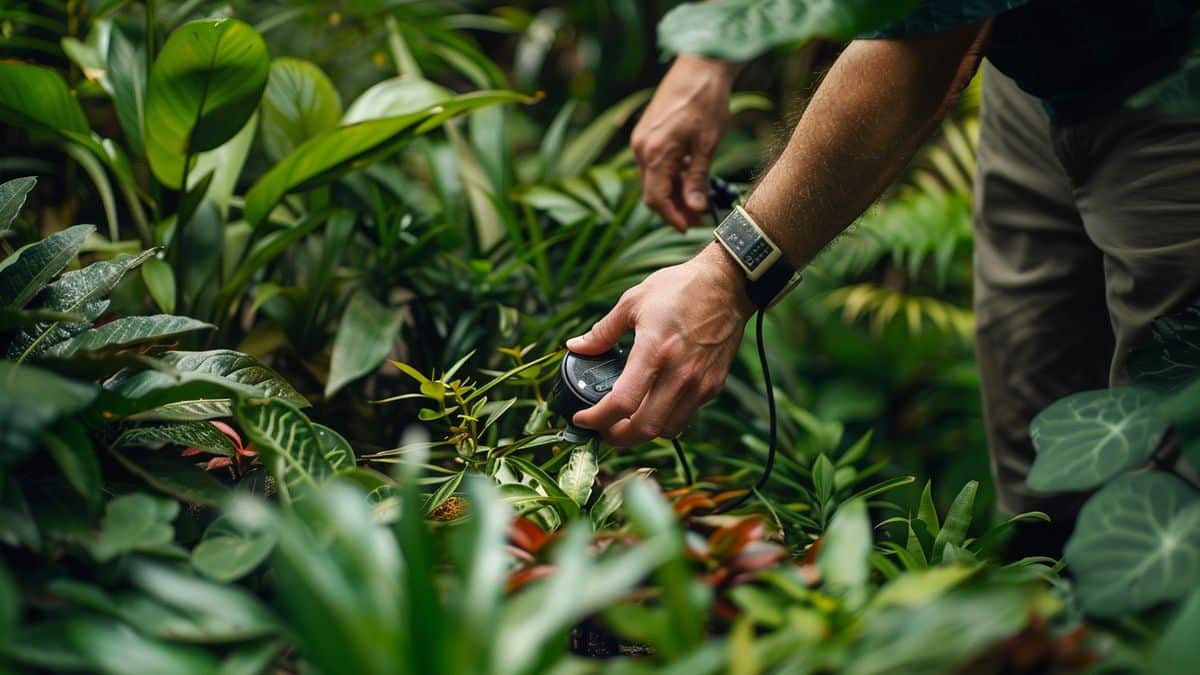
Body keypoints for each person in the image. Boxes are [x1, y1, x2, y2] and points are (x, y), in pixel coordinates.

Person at [567, 0, 1200, 554]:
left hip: (1176, 77)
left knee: (1173, 481)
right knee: (1039, 434)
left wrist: (729, 275)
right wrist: (711, 48)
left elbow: (919, 50)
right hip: (1031, 56)